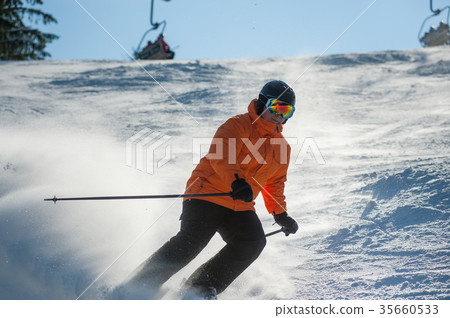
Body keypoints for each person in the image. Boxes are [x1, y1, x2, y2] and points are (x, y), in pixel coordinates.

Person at [118, 80, 299, 300]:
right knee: (192, 241)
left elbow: (275, 184)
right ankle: (138, 284)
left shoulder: (282, 147)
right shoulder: (237, 125)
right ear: (262, 103)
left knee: (253, 241)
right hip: (207, 194)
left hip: (240, 205)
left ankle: (200, 286)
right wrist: (236, 181)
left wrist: (280, 214)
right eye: (276, 107)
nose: (279, 115)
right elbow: (221, 156)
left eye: (286, 110)